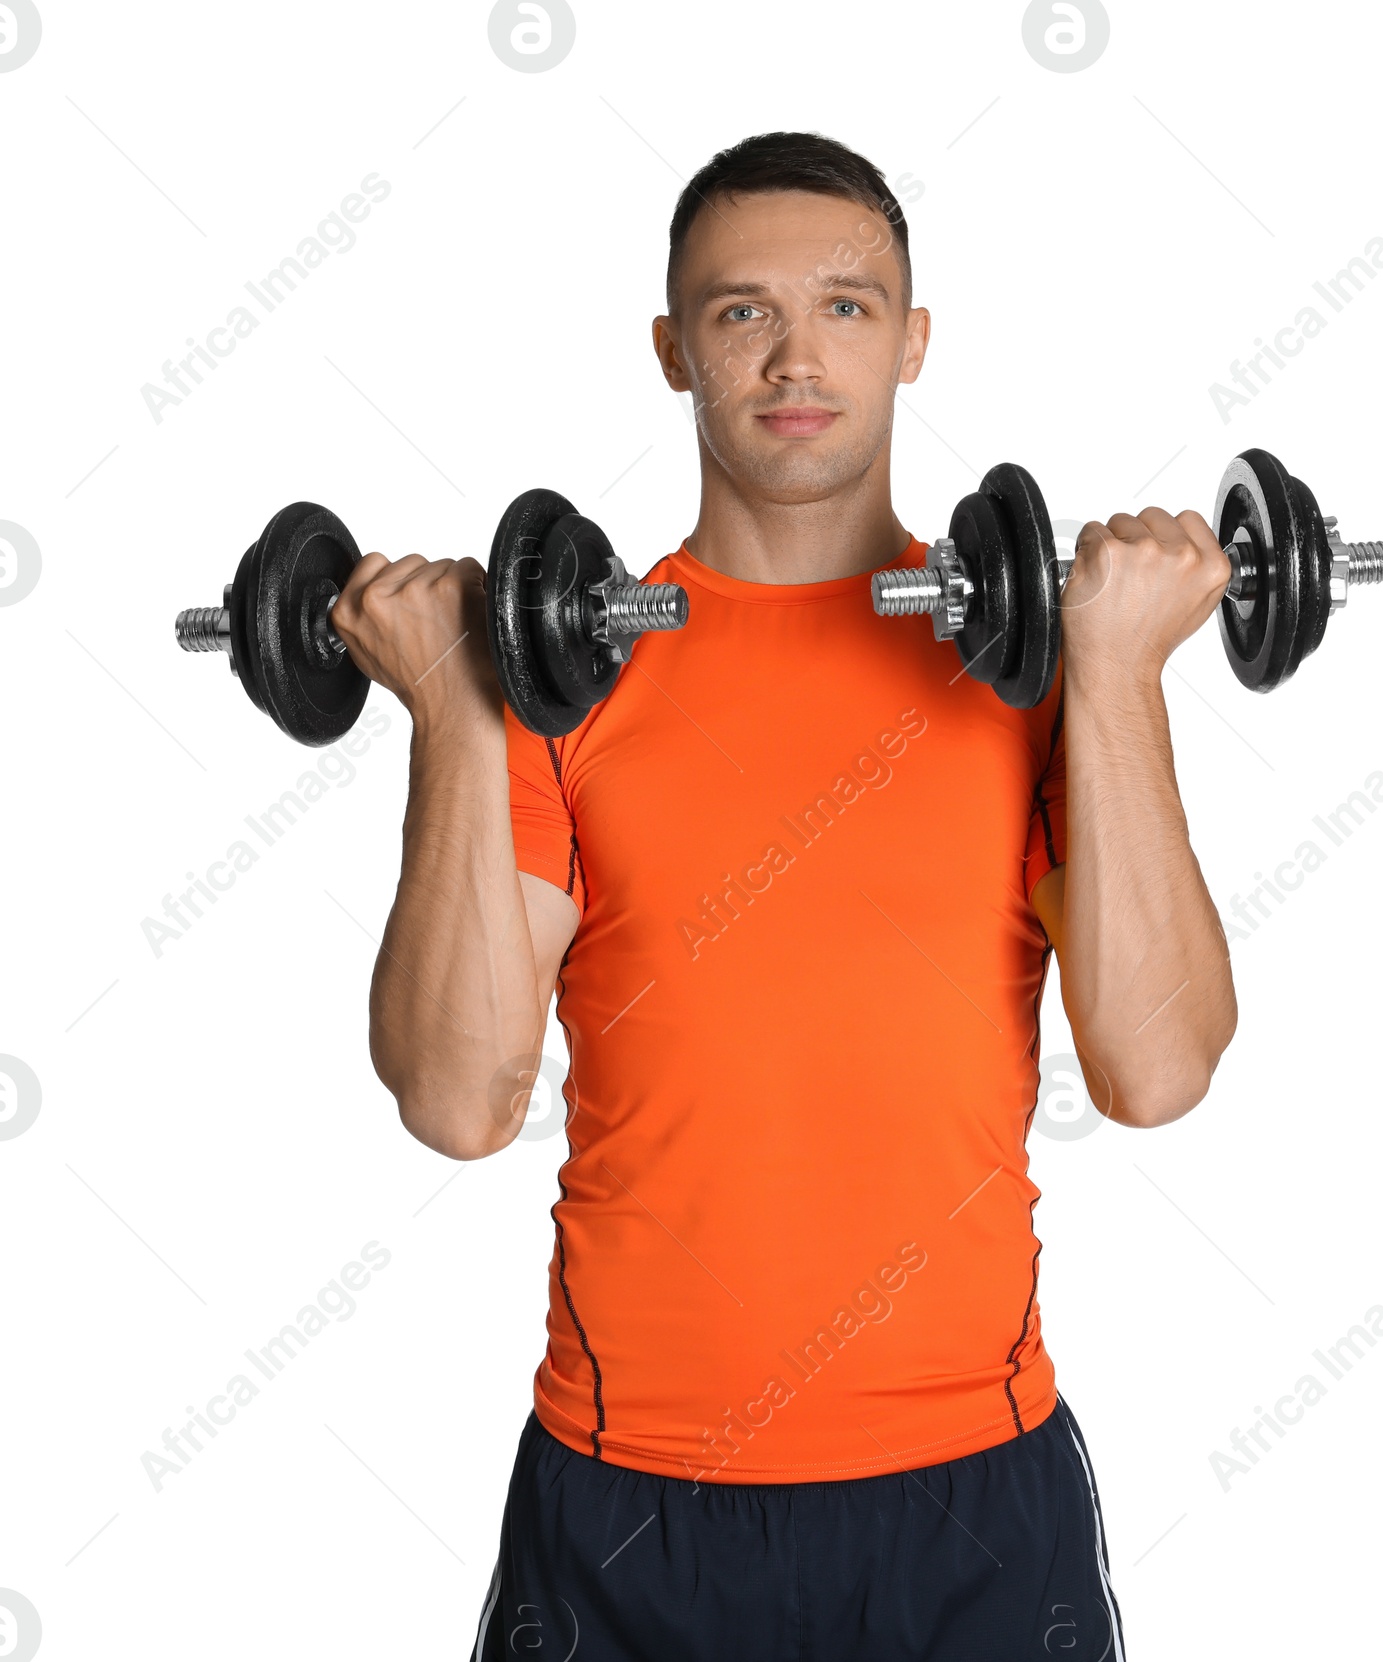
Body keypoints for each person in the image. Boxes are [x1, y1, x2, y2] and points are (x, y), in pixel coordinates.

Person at [330, 130, 1237, 1662]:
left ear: (916, 340)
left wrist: (1122, 673)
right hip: (630, 1498)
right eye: (743, 312)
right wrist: (447, 708)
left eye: (849, 306)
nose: (796, 354)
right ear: (675, 349)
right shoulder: (569, 687)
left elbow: (1156, 1069)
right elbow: (456, 1097)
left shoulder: (1033, 677)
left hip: (973, 1489)